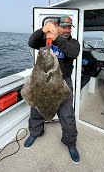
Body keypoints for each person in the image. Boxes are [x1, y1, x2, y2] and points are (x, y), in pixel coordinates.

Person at [24, 15, 80, 164]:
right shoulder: (45, 40)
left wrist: (56, 38)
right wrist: (43, 30)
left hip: (63, 81)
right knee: (36, 108)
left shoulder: (72, 43)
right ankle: (35, 132)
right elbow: (31, 42)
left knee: (67, 115)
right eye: (64, 27)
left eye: (69, 27)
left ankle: (70, 143)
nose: (67, 30)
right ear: (57, 27)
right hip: (42, 79)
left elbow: (73, 53)